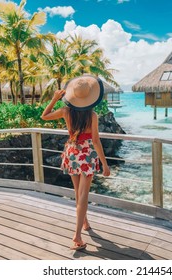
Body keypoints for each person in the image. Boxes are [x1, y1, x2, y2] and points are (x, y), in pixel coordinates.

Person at [41, 75, 110, 251]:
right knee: (84, 195)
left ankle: (85, 222)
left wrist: (55, 99)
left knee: (78, 193)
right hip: (86, 156)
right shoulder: (93, 115)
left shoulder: (66, 111)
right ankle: (77, 236)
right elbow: (95, 141)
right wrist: (105, 164)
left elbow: (44, 116)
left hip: (71, 152)